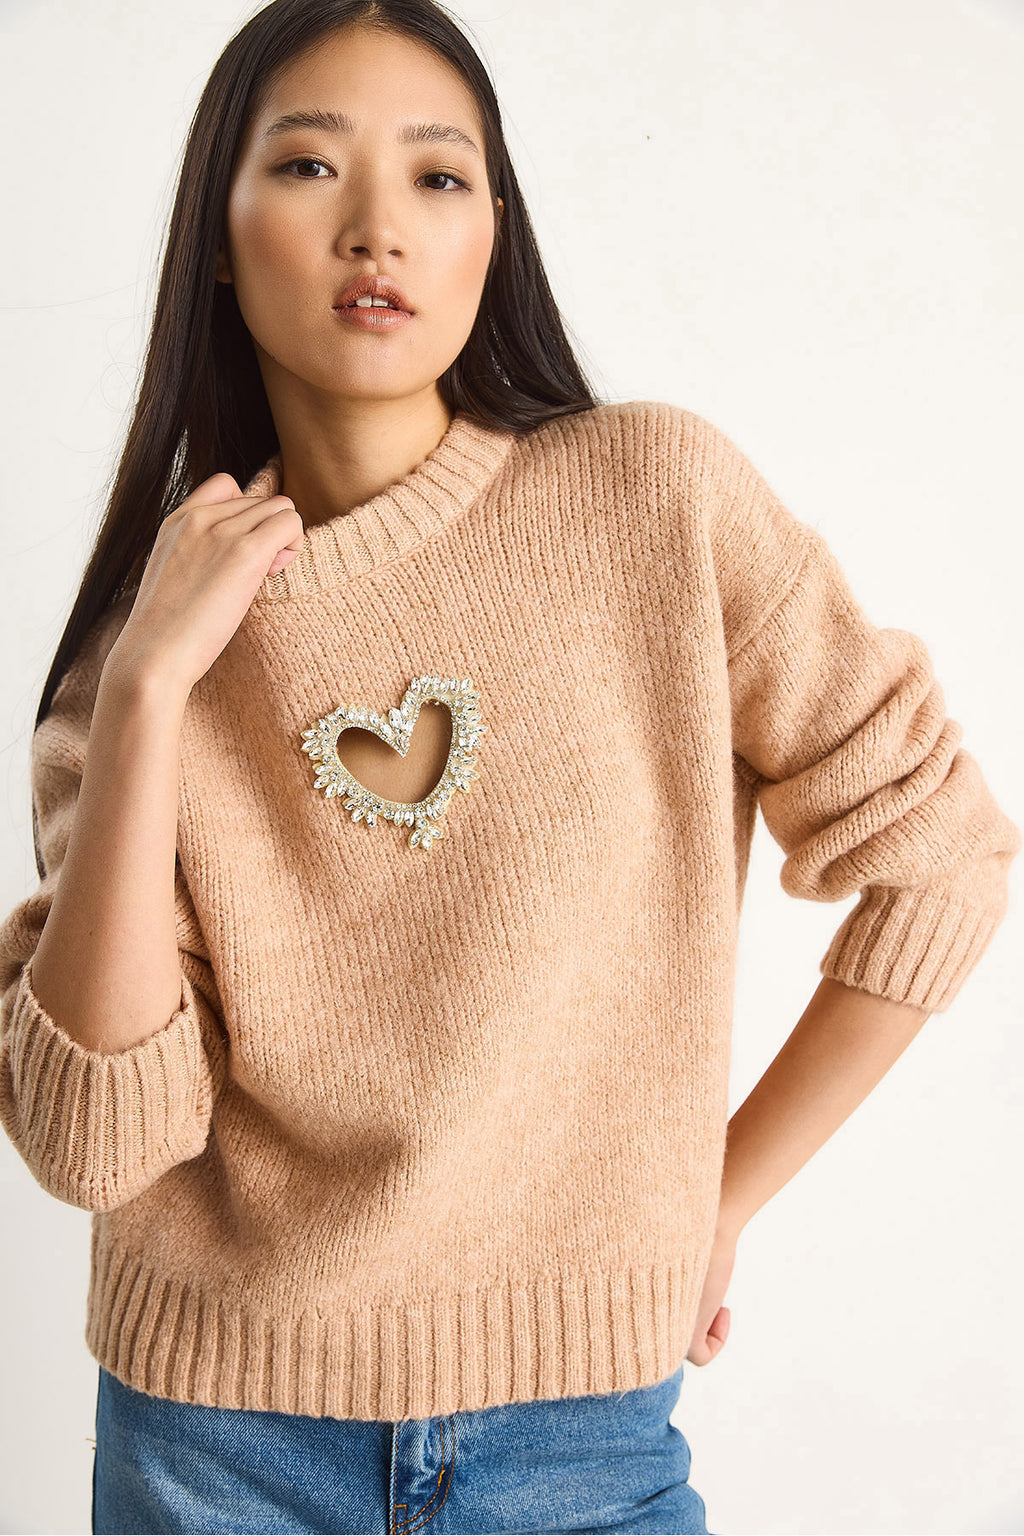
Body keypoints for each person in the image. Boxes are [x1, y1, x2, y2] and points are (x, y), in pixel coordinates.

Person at [0, 2, 1019, 1533]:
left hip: (583, 1448)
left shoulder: (656, 505)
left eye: (439, 176)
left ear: (495, 232)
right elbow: (99, 1146)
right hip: (216, 1461)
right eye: (307, 165)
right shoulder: (138, 660)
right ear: (216, 235)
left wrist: (718, 1197)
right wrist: (151, 691)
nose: (377, 228)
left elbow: (942, 857)